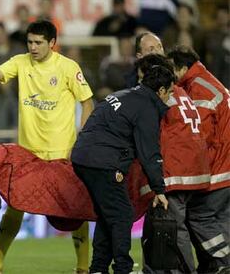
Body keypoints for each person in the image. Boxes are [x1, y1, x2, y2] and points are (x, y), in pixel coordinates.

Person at [0, 20, 94, 274]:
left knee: (76, 211)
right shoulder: (21, 62)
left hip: (62, 154)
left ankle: (83, 268)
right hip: (30, 155)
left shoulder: (68, 67)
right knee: (15, 207)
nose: (32, 47)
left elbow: (87, 103)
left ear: (52, 43)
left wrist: (82, 139)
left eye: (38, 43)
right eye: (29, 42)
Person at [71, 66, 173, 274]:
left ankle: (98, 268)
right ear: (161, 90)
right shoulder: (147, 108)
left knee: (107, 213)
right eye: (170, 92)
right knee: (122, 215)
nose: (170, 97)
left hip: (82, 156)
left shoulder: (122, 95)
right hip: (103, 162)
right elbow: (150, 153)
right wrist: (159, 189)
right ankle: (123, 268)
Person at [134, 54, 210, 274]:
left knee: (173, 228)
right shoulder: (181, 92)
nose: (140, 83)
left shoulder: (160, 96)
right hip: (193, 167)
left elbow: (152, 133)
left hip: (176, 170)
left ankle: (187, 271)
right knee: (160, 227)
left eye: (142, 78)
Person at [167, 45, 230, 274]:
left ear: (183, 68)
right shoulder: (209, 81)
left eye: (172, 69)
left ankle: (223, 260)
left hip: (220, 166)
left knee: (198, 216)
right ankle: (214, 266)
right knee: (221, 219)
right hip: (227, 164)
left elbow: (200, 136)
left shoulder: (198, 89)